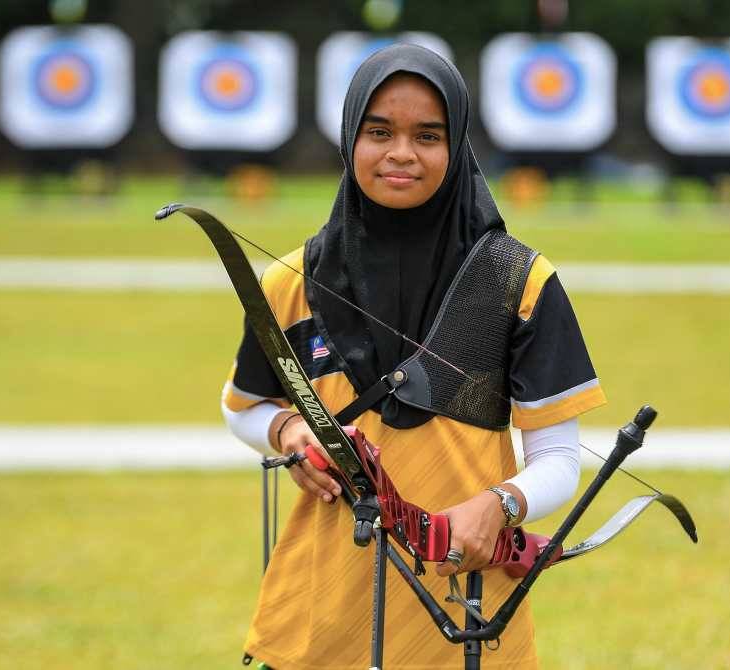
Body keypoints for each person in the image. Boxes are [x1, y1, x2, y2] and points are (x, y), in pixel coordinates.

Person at [221, 44, 605, 669]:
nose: (402, 152)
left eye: (428, 135)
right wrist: (290, 432)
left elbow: (559, 457)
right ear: (349, 140)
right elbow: (241, 407)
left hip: (464, 603)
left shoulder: (519, 282)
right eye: (379, 132)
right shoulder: (291, 281)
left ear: (458, 147)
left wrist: (501, 504)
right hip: (324, 607)